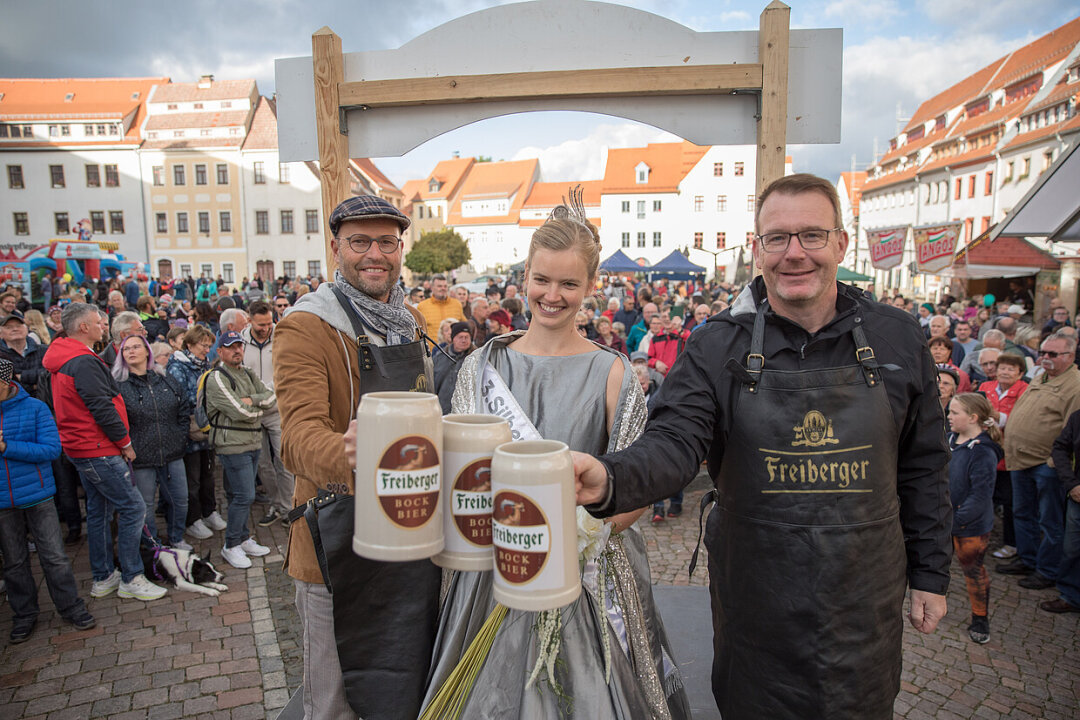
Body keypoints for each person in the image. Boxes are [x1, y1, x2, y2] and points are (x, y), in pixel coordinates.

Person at [572, 174, 951, 719]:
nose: (795, 253)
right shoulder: (715, 343)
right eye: (778, 238)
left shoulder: (897, 335)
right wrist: (608, 478)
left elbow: (924, 465)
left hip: (862, 593)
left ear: (841, 244)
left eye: (812, 236)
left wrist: (931, 575)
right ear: (757, 250)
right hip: (757, 591)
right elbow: (675, 443)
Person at [421, 192, 689, 719]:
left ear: (591, 287)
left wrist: (582, 530)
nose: (553, 295)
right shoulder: (481, 366)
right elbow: (459, 474)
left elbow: (633, 491)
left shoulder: (613, 374)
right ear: (525, 276)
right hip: (492, 570)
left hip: (584, 576)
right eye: (543, 279)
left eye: (569, 283)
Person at [273, 195, 440, 719]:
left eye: (386, 242)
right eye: (360, 241)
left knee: (404, 676)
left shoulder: (409, 321)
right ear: (336, 248)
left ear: (400, 248)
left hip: (410, 528)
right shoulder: (307, 326)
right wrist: (352, 451)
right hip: (336, 534)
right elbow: (296, 439)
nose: (375, 253)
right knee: (334, 699)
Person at [42, 303, 167, 601]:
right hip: (97, 447)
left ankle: (103, 575)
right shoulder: (82, 361)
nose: (103, 326)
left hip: (83, 446)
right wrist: (124, 442)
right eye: (98, 322)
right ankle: (131, 576)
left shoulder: (68, 356)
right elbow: (100, 406)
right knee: (133, 507)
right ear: (84, 327)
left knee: (99, 511)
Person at [0, 358, 96, 643]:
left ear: (5, 383)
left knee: (54, 556)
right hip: (3, 501)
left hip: (37, 496)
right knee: (14, 562)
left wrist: (7, 447)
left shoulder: (35, 408)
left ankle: (70, 607)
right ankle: (24, 614)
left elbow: (51, 450)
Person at [998, 332, 1080, 590]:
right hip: (1021, 459)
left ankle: (1047, 570)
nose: (1044, 358)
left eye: (1052, 354)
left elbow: (1072, 432)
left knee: (1050, 521)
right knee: (1022, 513)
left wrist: (1054, 463)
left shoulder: (1075, 386)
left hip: (1047, 465)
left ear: (1070, 356)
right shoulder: (1041, 376)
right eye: (1043, 352)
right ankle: (1028, 557)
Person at [113, 334, 191, 550]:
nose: (131, 351)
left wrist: (180, 435)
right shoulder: (119, 386)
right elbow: (116, 420)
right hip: (141, 456)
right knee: (145, 504)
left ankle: (176, 537)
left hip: (172, 451)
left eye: (136, 346)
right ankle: (152, 544)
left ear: (147, 351)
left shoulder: (165, 379)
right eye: (126, 348)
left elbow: (183, 408)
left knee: (179, 499)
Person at [203, 331, 274, 569]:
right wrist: (256, 408)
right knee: (245, 495)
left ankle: (242, 538)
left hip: (252, 442)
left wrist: (251, 400)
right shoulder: (217, 377)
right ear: (220, 351)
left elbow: (270, 397)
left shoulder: (248, 373)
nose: (237, 351)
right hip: (232, 445)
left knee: (238, 494)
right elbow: (238, 411)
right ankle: (231, 544)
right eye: (230, 347)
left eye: (239, 346)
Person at [946, 393, 1003, 644]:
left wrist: (956, 522)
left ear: (973, 417)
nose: (949, 416)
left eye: (954, 412)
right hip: (945, 520)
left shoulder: (983, 451)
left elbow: (981, 495)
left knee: (973, 571)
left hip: (970, 525)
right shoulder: (950, 439)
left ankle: (980, 617)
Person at [167, 326, 226, 540]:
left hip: (206, 430)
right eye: (203, 345)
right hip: (190, 433)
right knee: (193, 478)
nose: (206, 350)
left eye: (209, 346)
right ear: (190, 345)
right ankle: (193, 519)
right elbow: (180, 399)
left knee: (208, 474)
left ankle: (209, 511)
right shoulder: (178, 368)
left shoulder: (204, 366)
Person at [240, 300, 295, 528]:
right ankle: (276, 504)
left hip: (276, 409)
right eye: (260, 324)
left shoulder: (281, 337)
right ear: (249, 320)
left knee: (284, 460)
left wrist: (266, 396)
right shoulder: (240, 342)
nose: (265, 328)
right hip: (252, 412)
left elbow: (286, 372)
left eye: (268, 323)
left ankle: (288, 507)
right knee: (262, 464)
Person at [979, 353, 1028, 560]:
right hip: (985, 452)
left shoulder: (1025, 391)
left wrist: (997, 417)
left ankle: (1011, 543)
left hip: (1010, 455)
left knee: (1009, 502)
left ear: (1020, 373)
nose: (1005, 372)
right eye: (1002, 368)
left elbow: (1021, 418)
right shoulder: (986, 388)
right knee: (983, 497)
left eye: (1011, 368)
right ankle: (980, 537)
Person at [1046, 408, 1080, 613]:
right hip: (1077, 496)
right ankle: (1070, 596)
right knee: (1072, 549)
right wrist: (1072, 484)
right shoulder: (1078, 417)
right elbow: (1059, 448)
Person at [0, 310, 48, 396]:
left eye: (18, 326)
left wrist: (21, 376)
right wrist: (34, 386)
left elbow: (49, 375)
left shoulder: (44, 350)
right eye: (8, 327)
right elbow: (6, 386)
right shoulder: (1, 356)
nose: (15, 329)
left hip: (45, 402)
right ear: (1, 334)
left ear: (27, 329)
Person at [432, 321, 474, 414]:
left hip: (467, 412)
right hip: (442, 410)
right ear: (453, 338)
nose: (464, 340)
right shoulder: (440, 357)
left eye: (467, 337)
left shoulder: (476, 358)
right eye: (460, 337)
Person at [416, 273, 464, 342]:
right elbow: (418, 333)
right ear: (432, 288)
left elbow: (463, 325)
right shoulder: (422, 306)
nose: (443, 288)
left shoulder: (457, 304)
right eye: (439, 286)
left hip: (453, 350)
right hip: (432, 351)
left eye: (445, 286)